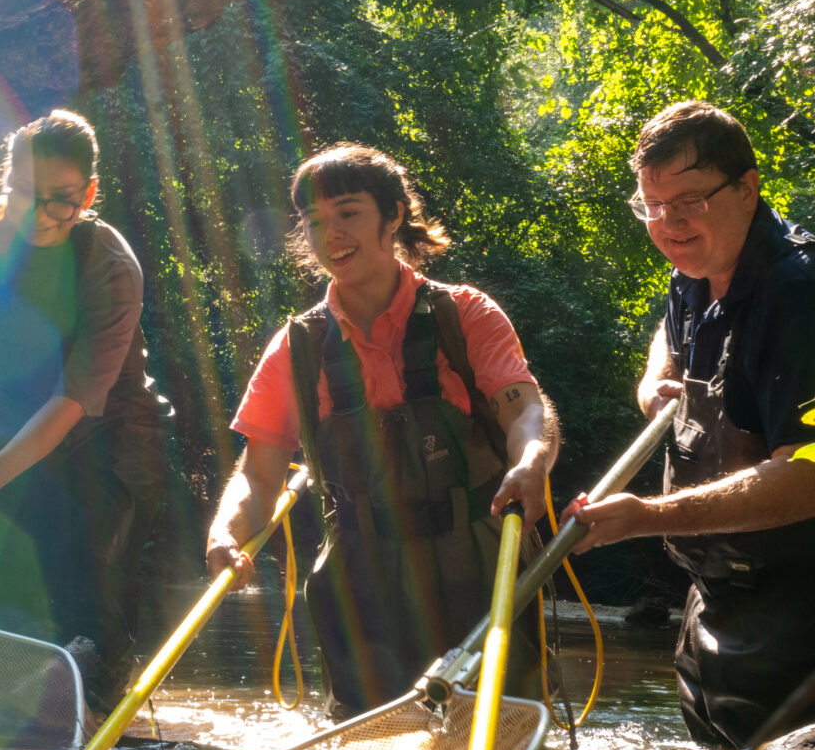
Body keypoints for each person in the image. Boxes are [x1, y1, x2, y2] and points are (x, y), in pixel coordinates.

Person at [567, 100, 815, 750]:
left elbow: (810, 478)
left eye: (689, 201)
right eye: (652, 205)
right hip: (719, 600)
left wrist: (647, 516)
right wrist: (654, 381)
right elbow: (667, 328)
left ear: (747, 186)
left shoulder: (807, 294)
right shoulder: (697, 268)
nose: (669, 224)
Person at [205, 146, 559, 718]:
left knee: (494, 737)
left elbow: (523, 411)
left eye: (348, 213)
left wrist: (532, 461)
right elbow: (258, 472)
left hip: (476, 564)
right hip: (361, 577)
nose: (331, 235)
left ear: (393, 216)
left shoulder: (465, 314)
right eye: (315, 221)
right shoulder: (296, 348)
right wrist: (225, 533)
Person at [0, 109, 172, 704]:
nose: (40, 215)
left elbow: (72, 401)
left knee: (92, 619)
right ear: (5, 177)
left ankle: (96, 711)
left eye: (61, 200)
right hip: (6, 423)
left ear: (89, 193)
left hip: (106, 439)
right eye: (25, 193)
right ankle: (9, 727)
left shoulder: (110, 266)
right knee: (11, 607)